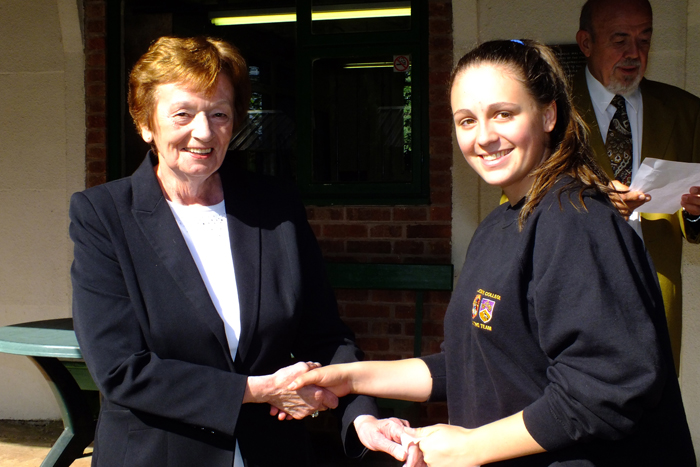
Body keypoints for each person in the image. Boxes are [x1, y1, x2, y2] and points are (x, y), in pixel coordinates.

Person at [291, 39, 696, 466]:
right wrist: (351, 377)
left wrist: (468, 448)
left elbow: (609, 384)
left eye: (503, 113)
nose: (484, 137)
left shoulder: (576, 221)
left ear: (548, 114)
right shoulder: (502, 223)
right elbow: (472, 364)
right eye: (466, 121)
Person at [69, 36, 401, 467]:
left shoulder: (274, 205)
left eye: (219, 114)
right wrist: (260, 390)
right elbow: (121, 370)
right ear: (145, 123)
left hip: (274, 453)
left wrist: (362, 417)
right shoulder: (103, 215)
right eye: (183, 114)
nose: (203, 132)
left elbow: (324, 334)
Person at [573, 0, 700, 372]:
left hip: (655, 299)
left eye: (644, 39)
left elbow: (694, 225)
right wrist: (593, 203)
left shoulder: (685, 112)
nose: (634, 53)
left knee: (655, 421)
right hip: (577, 297)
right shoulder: (552, 111)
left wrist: (695, 214)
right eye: (620, 40)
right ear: (586, 42)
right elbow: (518, 203)